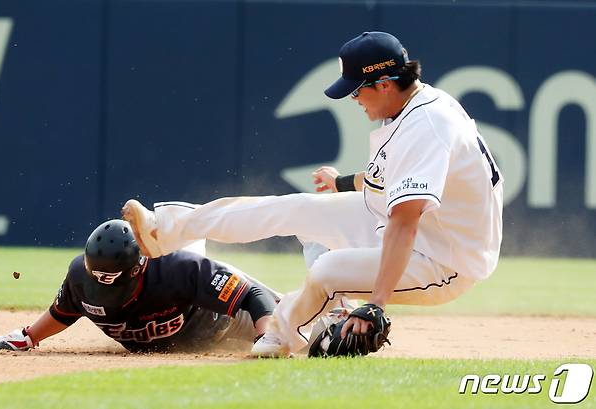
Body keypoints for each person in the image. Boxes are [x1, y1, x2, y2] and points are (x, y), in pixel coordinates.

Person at [122, 31, 504, 357]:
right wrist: (342, 184)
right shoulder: (412, 106)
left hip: (443, 261)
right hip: (403, 227)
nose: (354, 100)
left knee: (327, 271)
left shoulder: (427, 125)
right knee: (295, 208)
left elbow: (404, 222)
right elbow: (393, 182)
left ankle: (284, 333)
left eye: (357, 91)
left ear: (384, 84)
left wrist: (377, 304)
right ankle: (165, 231)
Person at [0, 219, 280, 353]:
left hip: (225, 326)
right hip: (185, 341)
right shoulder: (79, 275)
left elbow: (253, 295)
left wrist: (268, 337)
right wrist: (27, 338)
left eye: (114, 286)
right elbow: (62, 312)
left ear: (137, 269)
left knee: (307, 332)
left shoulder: (176, 268)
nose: (107, 296)